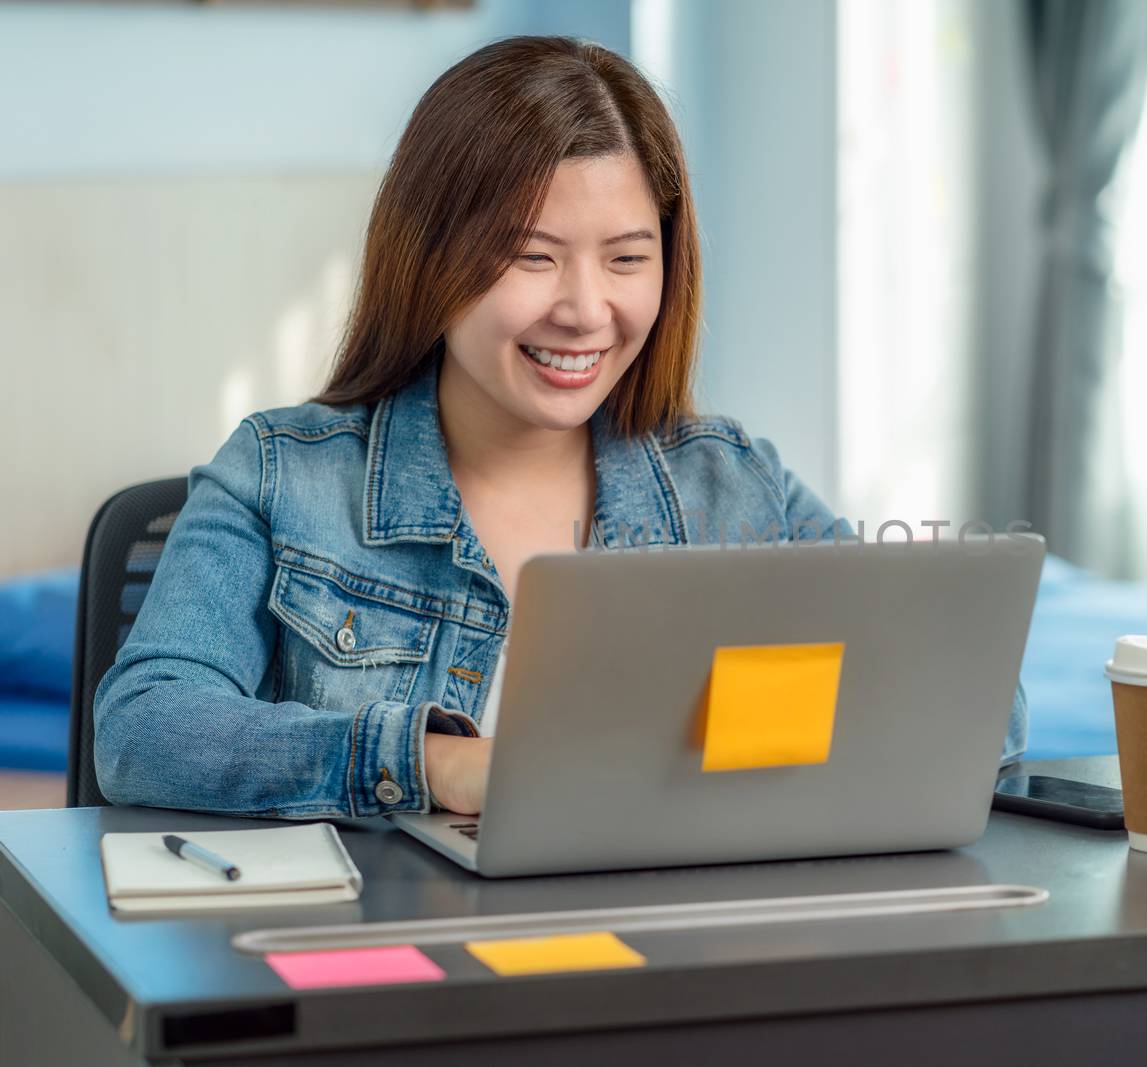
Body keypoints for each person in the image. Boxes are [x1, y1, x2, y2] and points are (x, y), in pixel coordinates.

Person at [93, 36, 1028, 819]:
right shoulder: (280, 475)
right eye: (531, 258)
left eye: (628, 258)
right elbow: (143, 726)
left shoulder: (733, 485)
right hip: (392, 967)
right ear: (429, 259)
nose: (586, 310)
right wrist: (438, 764)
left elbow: (976, 698)